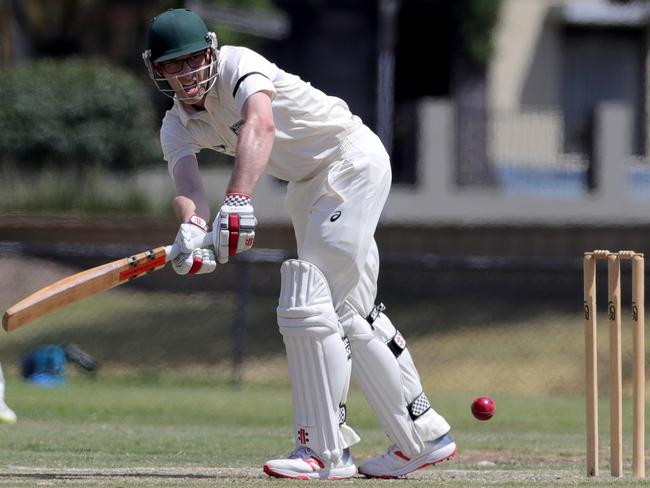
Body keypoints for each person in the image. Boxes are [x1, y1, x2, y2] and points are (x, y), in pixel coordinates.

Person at [143, 8, 455, 480]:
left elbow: (261, 125)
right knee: (350, 311)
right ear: (158, 71)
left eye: (192, 60)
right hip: (306, 187)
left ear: (210, 51)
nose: (186, 74)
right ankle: (422, 437)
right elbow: (186, 184)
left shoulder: (238, 64)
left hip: (349, 160)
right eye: (173, 66)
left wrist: (238, 199)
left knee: (307, 298)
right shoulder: (176, 125)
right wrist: (192, 230)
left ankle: (323, 453)